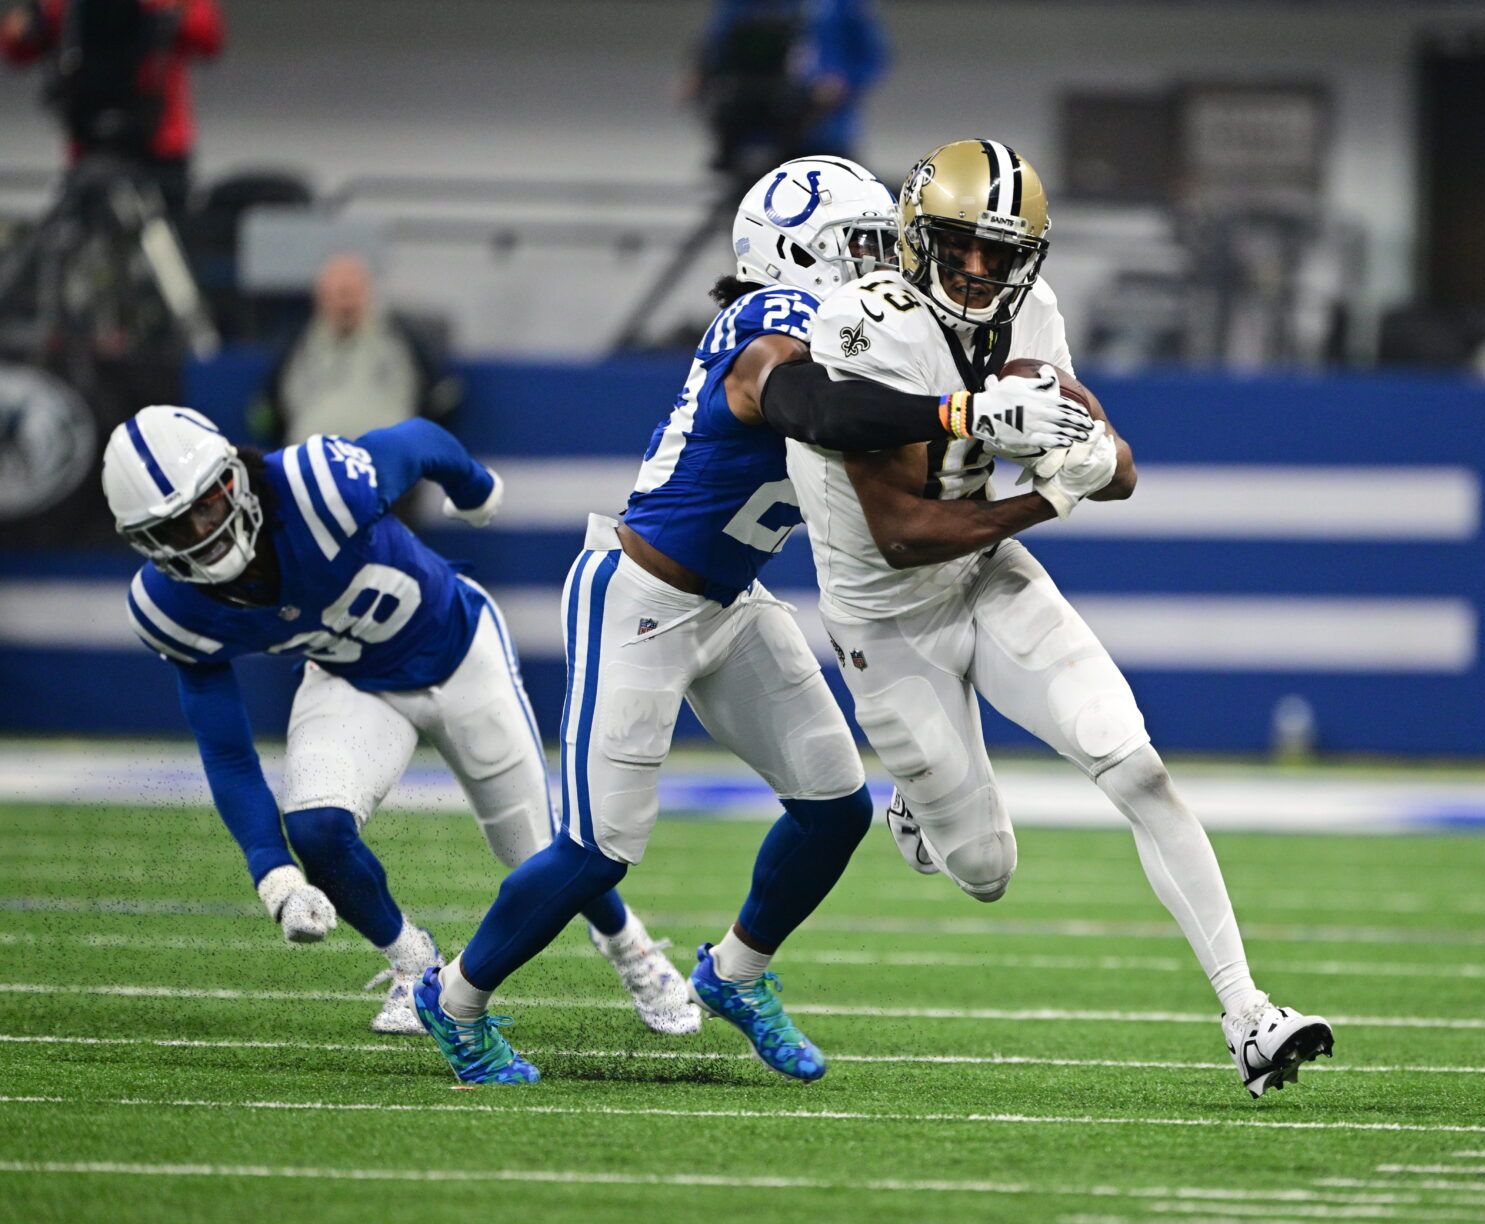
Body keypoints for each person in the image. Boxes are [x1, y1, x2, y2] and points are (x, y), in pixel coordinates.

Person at [410, 156, 1090, 1086]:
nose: (880, 262)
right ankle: (453, 1000)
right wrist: (963, 407)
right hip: (640, 595)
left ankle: (735, 973)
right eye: (858, 244)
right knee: (598, 850)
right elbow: (810, 406)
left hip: (732, 604)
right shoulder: (766, 321)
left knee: (833, 808)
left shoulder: (872, 332)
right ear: (796, 254)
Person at [785, 138, 1334, 1099]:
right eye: (961, 246)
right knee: (986, 869)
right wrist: (1044, 497)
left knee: (1138, 767)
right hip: (885, 616)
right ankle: (918, 804)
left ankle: (1249, 1014)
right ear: (918, 238)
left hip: (988, 574)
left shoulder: (1033, 312)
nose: (980, 270)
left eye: (1001, 253)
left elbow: (1113, 465)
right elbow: (903, 534)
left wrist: (1093, 460)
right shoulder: (860, 324)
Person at [99, 405, 698, 1038]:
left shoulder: (315, 485)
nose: (201, 533)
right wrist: (273, 875)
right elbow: (225, 752)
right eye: (172, 527)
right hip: (353, 679)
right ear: (144, 542)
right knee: (317, 826)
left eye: (206, 505)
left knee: (537, 853)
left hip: (459, 651)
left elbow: (418, 441)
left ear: (233, 478)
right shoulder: (171, 606)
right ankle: (414, 964)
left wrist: (473, 487)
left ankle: (632, 949)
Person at [0, 0, 224, 221]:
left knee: (170, 230)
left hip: (159, 144)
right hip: (92, 145)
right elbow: (17, 44)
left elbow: (207, 36)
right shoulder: (63, 7)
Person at [249, 253, 459, 448]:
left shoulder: (401, 336)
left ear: (368, 292)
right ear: (320, 297)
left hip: (386, 462)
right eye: (337, 293)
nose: (345, 302)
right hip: (313, 463)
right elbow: (267, 407)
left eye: (352, 292)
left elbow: (442, 396)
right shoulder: (298, 342)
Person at [689, 0, 887, 176]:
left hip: (823, 130)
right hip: (755, 125)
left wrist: (843, 83)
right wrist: (700, 74)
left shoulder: (841, 5)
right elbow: (718, 43)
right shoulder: (742, 5)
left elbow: (871, 56)